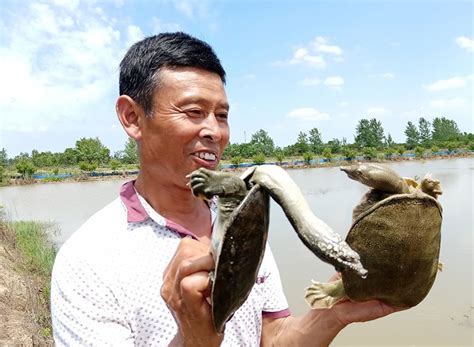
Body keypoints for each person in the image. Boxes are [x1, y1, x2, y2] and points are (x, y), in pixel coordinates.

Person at [51, 32, 400, 346]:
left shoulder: (243, 218)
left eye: (221, 115)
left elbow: (273, 338)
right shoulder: (87, 261)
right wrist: (195, 341)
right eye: (193, 111)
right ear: (132, 117)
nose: (214, 132)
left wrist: (336, 312)